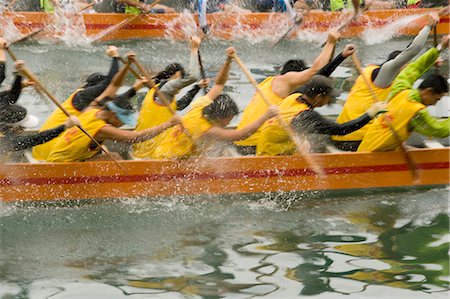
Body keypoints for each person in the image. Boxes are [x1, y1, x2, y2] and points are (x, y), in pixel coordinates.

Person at [146, 47, 278, 159]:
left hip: (163, 150)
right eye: (228, 120)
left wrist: (228, 61)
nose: (228, 124)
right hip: (167, 160)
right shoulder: (208, 130)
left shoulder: (201, 105)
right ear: (219, 117)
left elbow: (219, 84)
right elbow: (241, 135)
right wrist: (266, 116)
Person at [332, 13, 439, 151]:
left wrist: (437, 52)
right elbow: (412, 50)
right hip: (356, 140)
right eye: (404, 67)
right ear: (398, 67)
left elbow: (409, 56)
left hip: (343, 136)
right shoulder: (385, 75)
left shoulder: (373, 71)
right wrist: (428, 26)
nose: (407, 71)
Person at [46, 57, 181, 162]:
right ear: (112, 114)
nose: (122, 125)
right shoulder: (102, 129)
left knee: (108, 153)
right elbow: (135, 137)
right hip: (62, 165)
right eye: (121, 121)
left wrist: (127, 65)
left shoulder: (92, 108)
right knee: (114, 159)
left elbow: (114, 84)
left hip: (59, 157)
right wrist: (168, 124)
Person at [234, 28, 340, 155]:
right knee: (308, 143)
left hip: (241, 141)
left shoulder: (270, 82)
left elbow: (322, 74)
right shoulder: (286, 81)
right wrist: (330, 42)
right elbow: (315, 71)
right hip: (254, 144)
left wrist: (337, 51)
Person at [358, 35, 449, 152]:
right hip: (374, 158)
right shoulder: (418, 112)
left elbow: (416, 68)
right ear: (428, 91)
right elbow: (439, 130)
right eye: (436, 99)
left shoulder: (400, 89)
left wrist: (439, 48)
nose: (434, 104)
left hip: (365, 147)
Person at [256, 75, 385, 155]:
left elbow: (318, 76)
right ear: (318, 97)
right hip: (271, 158)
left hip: (268, 146)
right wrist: (370, 114)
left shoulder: (295, 95)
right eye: (328, 97)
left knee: (312, 142)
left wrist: (342, 56)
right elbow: (341, 130)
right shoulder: (306, 116)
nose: (329, 100)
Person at [32, 46, 121, 161]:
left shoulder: (83, 98)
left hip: (41, 149)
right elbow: (111, 82)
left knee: (100, 147)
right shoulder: (83, 97)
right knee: (112, 156)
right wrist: (115, 56)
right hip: (51, 152)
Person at [131, 36, 203, 158]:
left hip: (140, 147)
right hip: (153, 152)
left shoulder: (156, 89)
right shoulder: (166, 89)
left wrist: (196, 88)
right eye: (181, 79)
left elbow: (179, 106)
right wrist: (194, 48)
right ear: (176, 75)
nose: (180, 85)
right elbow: (193, 76)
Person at [0, 60, 79, 159]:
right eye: (21, 127)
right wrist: (65, 126)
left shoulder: (2, 113)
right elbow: (39, 138)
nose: (23, 129)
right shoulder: (6, 142)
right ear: (11, 126)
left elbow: (9, 98)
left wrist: (19, 77)